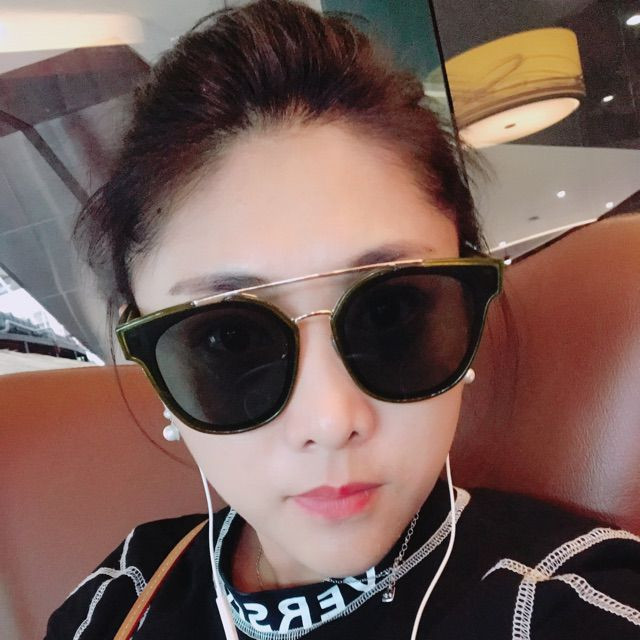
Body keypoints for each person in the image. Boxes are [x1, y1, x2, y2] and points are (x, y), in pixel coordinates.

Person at [45, 1, 640, 638]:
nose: (331, 422)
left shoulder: (560, 603)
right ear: (157, 371)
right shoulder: (120, 598)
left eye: (390, 312)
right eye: (228, 338)